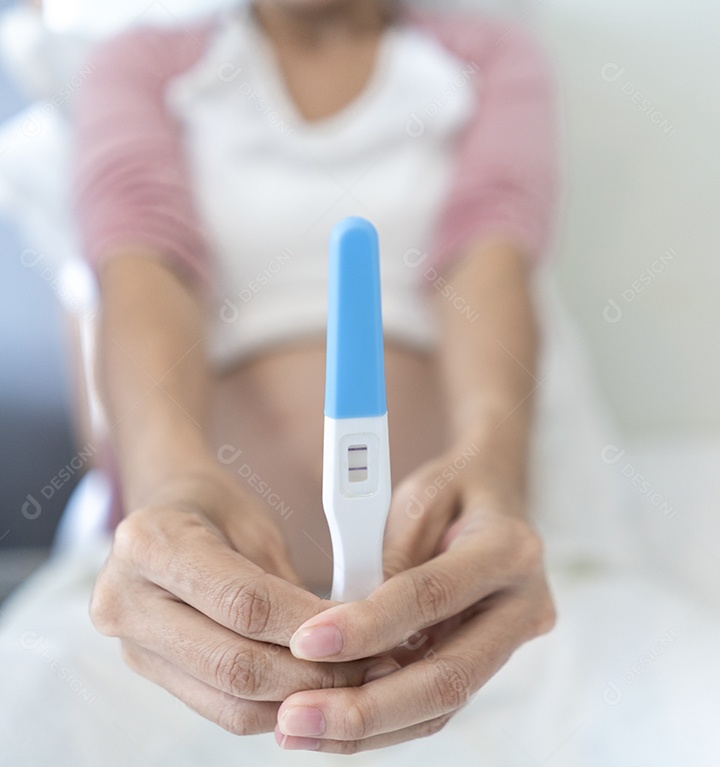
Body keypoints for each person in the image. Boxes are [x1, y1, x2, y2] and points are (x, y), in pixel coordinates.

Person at [75, 0, 558, 752]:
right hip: (185, 612)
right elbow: (143, 267)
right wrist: (167, 481)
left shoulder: (488, 56)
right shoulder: (145, 64)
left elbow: (488, 260)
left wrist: (493, 466)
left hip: (445, 597)